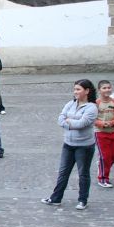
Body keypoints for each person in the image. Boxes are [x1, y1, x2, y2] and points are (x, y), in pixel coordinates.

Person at [41, 79, 98, 210]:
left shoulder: (92, 107)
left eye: (78, 89)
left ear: (87, 91)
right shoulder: (70, 104)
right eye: (75, 89)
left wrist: (69, 121)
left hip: (84, 146)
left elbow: (82, 124)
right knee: (63, 172)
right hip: (68, 143)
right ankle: (56, 198)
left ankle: (83, 200)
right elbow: (60, 119)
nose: (75, 92)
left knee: (83, 173)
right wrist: (71, 122)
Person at [94, 80, 114, 186]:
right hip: (100, 133)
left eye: (109, 87)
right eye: (104, 88)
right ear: (99, 90)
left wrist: (113, 122)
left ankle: (101, 165)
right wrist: (101, 123)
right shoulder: (96, 103)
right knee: (105, 157)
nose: (107, 90)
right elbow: (92, 119)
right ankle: (103, 179)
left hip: (113, 132)